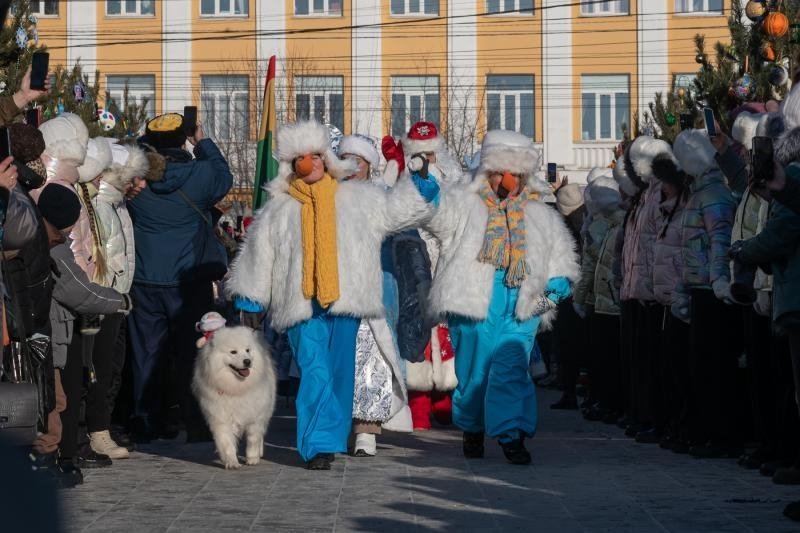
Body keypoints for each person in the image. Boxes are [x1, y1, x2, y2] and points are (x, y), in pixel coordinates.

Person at [228, 120, 439, 470]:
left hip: (347, 300)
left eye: (315, 156)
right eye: (300, 158)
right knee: (315, 370)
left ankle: (333, 432)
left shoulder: (358, 199)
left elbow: (398, 211)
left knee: (341, 372)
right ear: (291, 164)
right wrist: (251, 295)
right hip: (298, 304)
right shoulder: (279, 208)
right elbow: (259, 253)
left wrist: (420, 183)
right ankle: (318, 444)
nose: (309, 163)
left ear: (327, 159)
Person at [422, 129, 580, 464]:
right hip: (473, 308)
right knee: (474, 376)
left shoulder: (541, 216)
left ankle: (512, 437)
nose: (507, 181)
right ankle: (473, 428)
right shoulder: (464, 206)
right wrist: (422, 177)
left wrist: (546, 300)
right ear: (487, 173)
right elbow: (433, 212)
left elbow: (563, 265)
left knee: (510, 373)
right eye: (499, 173)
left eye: (516, 174)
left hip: (519, 311)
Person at [126, 114, 233, 443]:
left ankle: (146, 420)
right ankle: (196, 422)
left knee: (145, 354)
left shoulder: (134, 178)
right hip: (188, 282)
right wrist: (202, 141)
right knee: (193, 353)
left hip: (144, 280)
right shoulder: (199, 175)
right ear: (183, 136)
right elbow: (223, 177)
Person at [36, 183, 131, 485]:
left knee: (55, 398)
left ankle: (55, 456)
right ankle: (51, 459)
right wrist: (120, 300)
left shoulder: (45, 243)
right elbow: (79, 291)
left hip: (48, 332)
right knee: (57, 400)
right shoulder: (55, 251)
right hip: (51, 335)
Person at [382, 122, 464, 431]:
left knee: (446, 331)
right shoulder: (403, 182)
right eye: (420, 154)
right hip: (411, 264)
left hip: (445, 263)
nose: (427, 160)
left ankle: (445, 401)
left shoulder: (451, 181)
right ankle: (418, 403)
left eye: (431, 153)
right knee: (414, 328)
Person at [338, 133, 414, 456]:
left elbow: (406, 210)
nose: (354, 167)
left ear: (369, 165)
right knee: (341, 360)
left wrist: (402, 171)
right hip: (338, 292)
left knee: (373, 358)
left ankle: (367, 430)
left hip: (374, 291)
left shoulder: (382, 193)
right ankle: (338, 425)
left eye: (360, 161)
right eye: (348, 160)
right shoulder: (330, 195)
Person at [671, 128, 740, 458]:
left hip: (713, 294)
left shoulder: (713, 195)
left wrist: (717, 281)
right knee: (698, 369)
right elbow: (689, 247)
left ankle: (721, 435)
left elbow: (720, 243)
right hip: (699, 290)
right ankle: (705, 431)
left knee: (713, 370)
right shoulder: (698, 194)